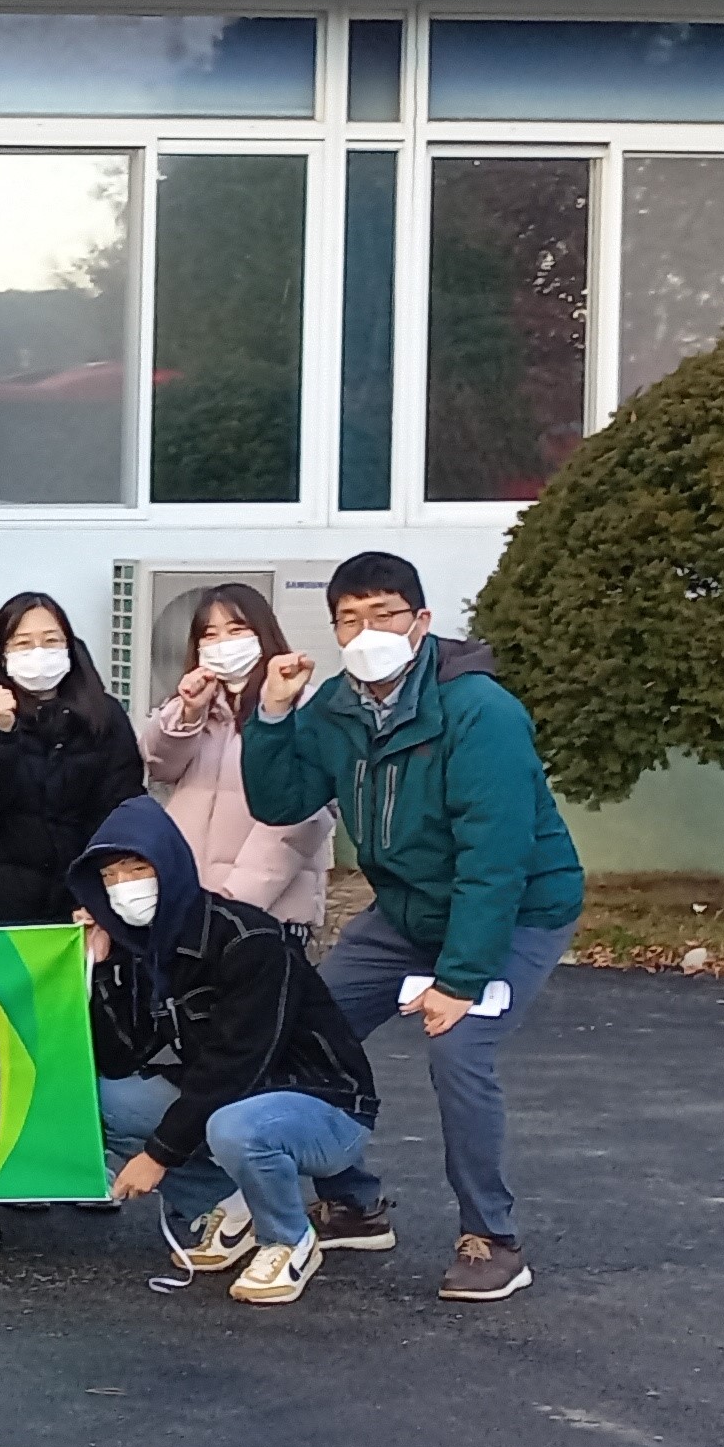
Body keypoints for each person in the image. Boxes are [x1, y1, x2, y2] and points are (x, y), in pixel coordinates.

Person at [241, 550, 584, 1304]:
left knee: (458, 1049)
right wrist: (270, 715)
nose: (367, 632)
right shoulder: (335, 706)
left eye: (384, 614)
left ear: (421, 621)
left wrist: (459, 980)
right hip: (405, 910)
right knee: (303, 1028)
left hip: (515, 908)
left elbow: (495, 857)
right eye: (349, 619)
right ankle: (352, 1202)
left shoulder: (479, 710)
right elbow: (280, 800)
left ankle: (491, 1237)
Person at [73, 796, 388, 1307]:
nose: (124, 886)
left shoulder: (249, 938)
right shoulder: (141, 948)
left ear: (170, 864)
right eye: (110, 877)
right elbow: (121, 1059)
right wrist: (102, 966)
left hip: (325, 1106)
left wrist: (159, 1155)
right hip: (233, 1104)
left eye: (137, 868)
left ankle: (289, 1240)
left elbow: (238, 1063)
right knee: (103, 1100)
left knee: (235, 1125)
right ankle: (232, 1206)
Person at [139, 582, 335, 951]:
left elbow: (300, 824)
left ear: (263, 633)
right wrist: (188, 713)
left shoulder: (304, 707)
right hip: (190, 904)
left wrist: (233, 903)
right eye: (209, 635)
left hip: (268, 912)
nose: (223, 644)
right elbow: (160, 768)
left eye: (236, 630)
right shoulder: (196, 704)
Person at [0, 592, 145, 925]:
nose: (39, 653)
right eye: (23, 643)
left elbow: (122, 806)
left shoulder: (102, 714)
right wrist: (1, 733)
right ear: (3, 654)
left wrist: (103, 895)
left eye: (51, 641)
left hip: (79, 901)